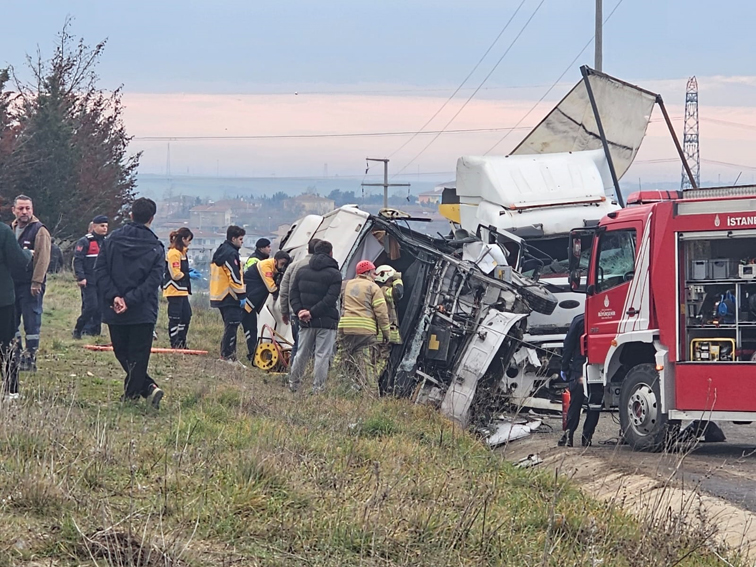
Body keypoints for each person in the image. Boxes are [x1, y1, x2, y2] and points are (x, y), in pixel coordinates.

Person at [94, 198, 165, 408]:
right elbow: (153, 281)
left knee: (122, 352)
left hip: (114, 307)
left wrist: (115, 297)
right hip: (143, 309)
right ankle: (145, 389)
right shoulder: (156, 247)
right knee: (139, 355)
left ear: (131, 214)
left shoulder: (111, 241)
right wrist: (130, 300)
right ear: (152, 218)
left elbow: (100, 271)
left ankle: (134, 394)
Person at [288, 240, 342, 393]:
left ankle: (294, 384)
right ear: (330, 253)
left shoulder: (302, 271)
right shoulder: (335, 274)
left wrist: (300, 311)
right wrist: (312, 312)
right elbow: (331, 299)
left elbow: (294, 294)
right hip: (326, 322)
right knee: (322, 355)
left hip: (305, 321)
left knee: (301, 353)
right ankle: (317, 388)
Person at [10, 195, 51, 372]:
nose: (24, 212)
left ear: (32, 209)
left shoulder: (39, 230)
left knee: (31, 321)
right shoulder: (11, 229)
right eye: (21, 208)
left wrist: (37, 282)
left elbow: (43, 259)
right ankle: (16, 354)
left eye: (28, 208)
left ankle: (30, 357)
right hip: (12, 284)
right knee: (12, 320)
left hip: (30, 285)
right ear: (14, 210)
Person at [336, 260, 391, 388]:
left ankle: (331, 383)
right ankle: (371, 392)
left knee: (340, 357)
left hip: (346, 328)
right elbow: (381, 313)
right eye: (373, 272)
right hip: (366, 331)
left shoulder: (345, 284)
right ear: (366, 272)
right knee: (366, 364)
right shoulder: (373, 287)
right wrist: (386, 333)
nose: (375, 275)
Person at [558, 313, 600, 447]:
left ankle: (568, 435)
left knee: (575, 403)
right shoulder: (601, 317)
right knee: (595, 404)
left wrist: (564, 367)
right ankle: (587, 438)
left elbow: (568, 345)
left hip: (579, 368)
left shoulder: (579, 320)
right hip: (599, 368)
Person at [0, 223, 32, 399]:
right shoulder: (3, 231)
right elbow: (19, 261)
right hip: (2, 299)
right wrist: (28, 253)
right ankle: (11, 390)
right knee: (6, 345)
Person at [242, 250, 291, 363]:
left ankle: (253, 354)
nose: (282, 268)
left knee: (253, 328)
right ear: (275, 261)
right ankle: (251, 354)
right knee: (250, 328)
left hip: (252, 301)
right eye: (282, 264)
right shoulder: (266, 266)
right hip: (248, 301)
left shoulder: (273, 267)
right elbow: (271, 288)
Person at [279, 238, 320, 361]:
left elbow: (284, 290)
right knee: (313, 346)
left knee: (297, 343)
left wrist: (284, 311)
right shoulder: (321, 267)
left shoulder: (293, 266)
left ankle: (293, 373)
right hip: (313, 313)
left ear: (308, 249)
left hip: (295, 312)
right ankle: (308, 373)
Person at [210, 225, 246, 361]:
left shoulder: (220, 250)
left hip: (219, 294)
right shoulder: (231, 254)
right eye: (241, 239)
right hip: (230, 295)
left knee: (230, 326)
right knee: (232, 326)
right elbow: (234, 276)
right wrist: (242, 295)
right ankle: (227, 357)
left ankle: (230, 356)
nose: (242, 242)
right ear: (233, 238)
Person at [163, 227, 200, 349]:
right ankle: (174, 343)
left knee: (186, 316)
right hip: (174, 290)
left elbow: (181, 269)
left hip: (182, 290)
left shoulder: (182, 253)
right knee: (175, 317)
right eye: (189, 240)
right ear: (183, 239)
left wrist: (188, 271)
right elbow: (175, 274)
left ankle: (182, 342)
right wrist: (189, 275)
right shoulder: (174, 253)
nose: (189, 243)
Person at [72, 215, 108, 339]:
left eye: (106, 226)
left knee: (100, 308)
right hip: (89, 280)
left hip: (101, 281)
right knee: (91, 306)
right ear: (94, 226)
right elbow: (78, 260)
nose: (105, 228)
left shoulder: (107, 242)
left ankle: (95, 331)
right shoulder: (85, 241)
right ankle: (79, 329)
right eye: (102, 226)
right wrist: (80, 277)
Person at [374, 265, 404, 344]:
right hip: (381, 335)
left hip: (379, 334)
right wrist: (398, 280)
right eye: (391, 280)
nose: (392, 283)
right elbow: (397, 293)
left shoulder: (375, 289)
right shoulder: (383, 290)